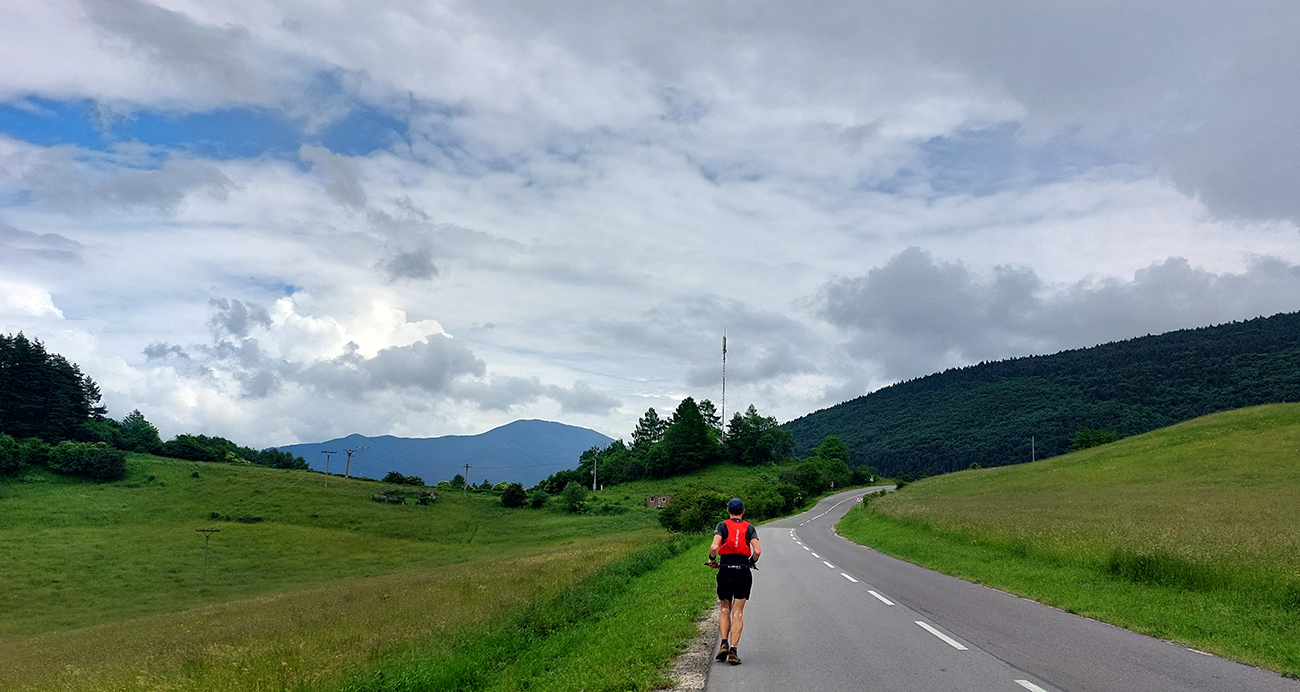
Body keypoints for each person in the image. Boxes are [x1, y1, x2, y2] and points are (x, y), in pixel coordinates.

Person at [708, 496, 761, 665]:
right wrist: (751, 562)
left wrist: (712, 560)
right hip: (743, 571)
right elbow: (757, 551)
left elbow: (714, 547)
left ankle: (723, 643)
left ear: (728, 511)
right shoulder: (749, 528)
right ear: (743, 512)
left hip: (725, 570)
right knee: (738, 612)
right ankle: (733, 650)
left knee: (725, 608)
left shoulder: (722, 526)